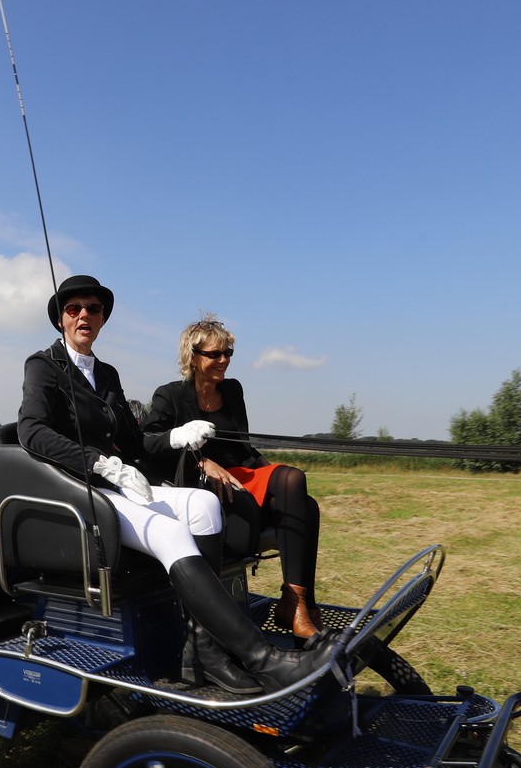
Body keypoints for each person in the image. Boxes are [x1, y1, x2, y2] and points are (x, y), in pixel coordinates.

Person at [17, 274, 333, 694]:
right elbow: (31, 431)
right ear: (61, 319)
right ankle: (263, 658)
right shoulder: (43, 366)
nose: (84, 316)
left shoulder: (106, 374)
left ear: (103, 318)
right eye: (73, 309)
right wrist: (100, 464)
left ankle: (203, 650)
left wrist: (177, 438)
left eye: (93, 308)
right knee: (170, 533)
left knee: (204, 505)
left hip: (118, 485)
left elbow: (136, 442)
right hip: (79, 490)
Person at [142, 315, 327, 638]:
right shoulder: (169, 396)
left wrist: (267, 468)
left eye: (227, 353)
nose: (224, 360)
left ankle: (296, 604)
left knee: (300, 495)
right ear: (193, 358)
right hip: (206, 486)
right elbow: (149, 444)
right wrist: (201, 462)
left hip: (242, 474)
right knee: (299, 492)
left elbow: (242, 446)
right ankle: (301, 607)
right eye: (214, 354)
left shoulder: (232, 390)